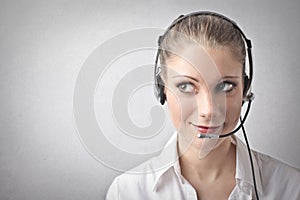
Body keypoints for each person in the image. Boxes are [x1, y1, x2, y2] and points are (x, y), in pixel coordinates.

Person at [106, 11, 300, 200]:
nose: (208, 111)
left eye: (225, 86)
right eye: (186, 86)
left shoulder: (291, 188)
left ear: (245, 89)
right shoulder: (127, 192)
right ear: (162, 88)